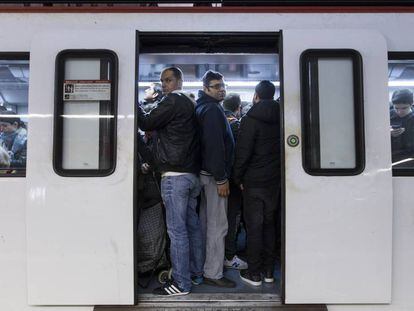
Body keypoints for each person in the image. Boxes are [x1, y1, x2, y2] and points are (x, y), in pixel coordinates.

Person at [137, 67, 203, 296]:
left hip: (174, 176)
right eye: (162, 81)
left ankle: (182, 283)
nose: (164, 85)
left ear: (179, 81)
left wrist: (132, 100)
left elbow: (146, 123)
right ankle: (196, 273)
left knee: (177, 232)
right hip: (191, 175)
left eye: (168, 80)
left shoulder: (173, 101)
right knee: (192, 227)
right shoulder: (190, 104)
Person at [233, 80, 281, 286]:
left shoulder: (249, 119)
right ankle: (269, 272)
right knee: (270, 225)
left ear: (256, 95)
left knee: (254, 227)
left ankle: (254, 274)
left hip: (253, 182)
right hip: (274, 181)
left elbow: (243, 153)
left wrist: (238, 177)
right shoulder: (284, 116)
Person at [196, 70, 236, 288]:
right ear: (206, 89)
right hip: (214, 176)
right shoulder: (212, 110)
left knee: (205, 224)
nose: (221, 89)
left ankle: (204, 266)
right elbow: (215, 147)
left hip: (203, 173)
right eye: (216, 86)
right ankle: (213, 272)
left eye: (223, 85)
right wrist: (222, 178)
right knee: (218, 225)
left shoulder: (202, 107)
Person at [222, 93, 247, 270]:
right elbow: (239, 155)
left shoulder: (216, 119)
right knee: (231, 218)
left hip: (214, 176)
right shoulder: (236, 125)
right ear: (238, 108)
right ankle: (229, 255)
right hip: (231, 180)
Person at [390, 88, 414, 166]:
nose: (399, 112)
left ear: (411, 104)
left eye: (404, 108)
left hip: (410, 159)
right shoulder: (387, 115)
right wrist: (387, 134)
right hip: (390, 158)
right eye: (396, 108)